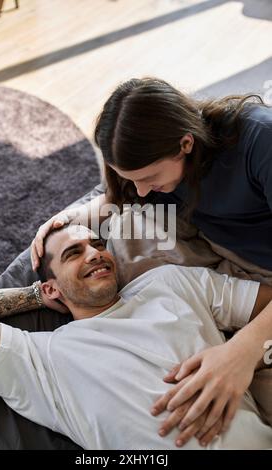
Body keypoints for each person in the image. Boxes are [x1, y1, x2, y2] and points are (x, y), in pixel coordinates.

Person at [29, 77, 272, 435]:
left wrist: (243, 349)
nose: (141, 190)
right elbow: (120, 198)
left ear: (185, 143)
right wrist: (69, 221)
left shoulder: (260, 142)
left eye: (150, 177)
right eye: (130, 178)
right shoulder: (155, 177)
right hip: (234, 251)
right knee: (129, 230)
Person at [0, 224, 272, 450]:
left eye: (98, 244)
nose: (95, 253)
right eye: (73, 253)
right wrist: (33, 296)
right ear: (52, 288)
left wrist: (240, 353)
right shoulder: (43, 358)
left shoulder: (170, 282)